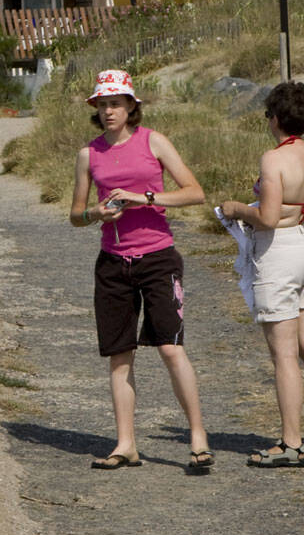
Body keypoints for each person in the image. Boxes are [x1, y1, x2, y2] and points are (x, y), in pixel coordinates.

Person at [69, 69, 212, 470]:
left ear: (132, 106)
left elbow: (195, 193)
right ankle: (125, 443)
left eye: (116, 103)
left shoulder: (154, 141)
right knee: (120, 355)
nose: (109, 111)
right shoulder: (88, 154)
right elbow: (75, 215)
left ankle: (198, 437)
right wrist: (95, 213)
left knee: (170, 347)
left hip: (158, 257)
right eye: (102, 104)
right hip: (113, 262)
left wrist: (144, 197)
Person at [220, 82, 304, 468]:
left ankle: (290, 443)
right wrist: (298, 211)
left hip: (280, 254)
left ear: (274, 119)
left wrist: (237, 209)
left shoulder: (274, 159)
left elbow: (268, 217)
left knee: (284, 353)